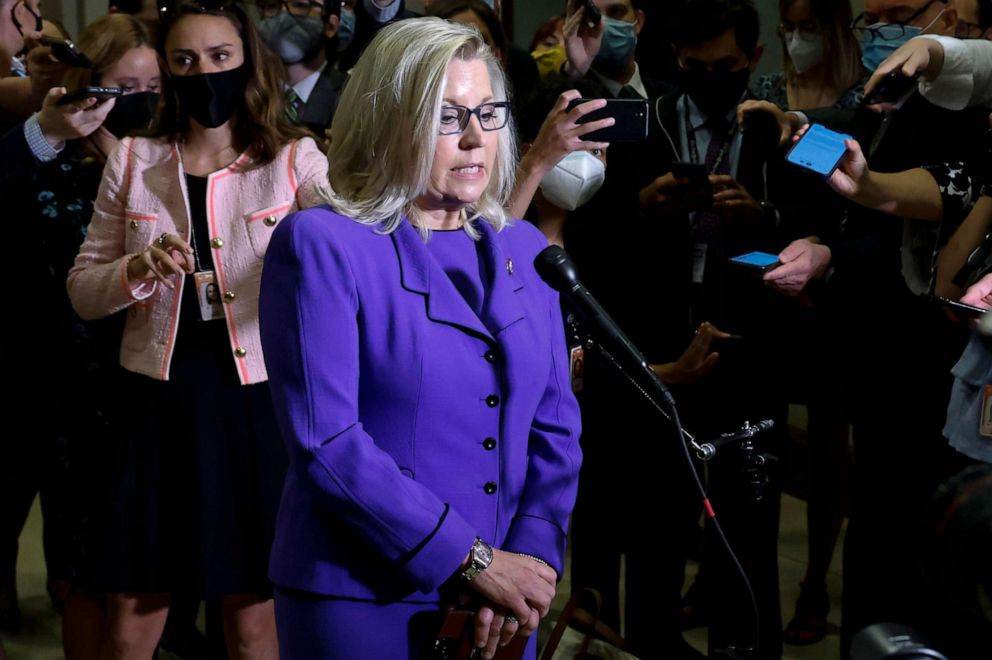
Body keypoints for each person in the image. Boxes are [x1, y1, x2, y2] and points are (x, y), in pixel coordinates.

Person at [257, 17, 582, 660]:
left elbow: (556, 427)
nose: (473, 138)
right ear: (388, 123)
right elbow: (327, 442)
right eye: (444, 116)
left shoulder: (524, 248)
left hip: (506, 602)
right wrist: (471, 561)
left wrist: (531, 565)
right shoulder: (322, 245)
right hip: (360, 597)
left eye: (487, 113)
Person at [66, 1, 327, 658]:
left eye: (218, 58)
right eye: (183, 61)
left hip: (255, 406)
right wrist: (136, 268)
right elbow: (82, 290)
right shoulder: (134, 160)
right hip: (156, 406)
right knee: (132, 621)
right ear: (166, 69)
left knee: (252, 620)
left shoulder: (293, 160)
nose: (202, 73)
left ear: (247, 63)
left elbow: (351, 250)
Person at [751, 0, 864, 110]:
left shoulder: (863, 97)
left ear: (836, 29)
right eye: (788, 27)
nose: (796, 40)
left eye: (808, 28)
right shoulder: (769, 90)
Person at [256, 0, 344, 134]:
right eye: (273, 5)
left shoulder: (351, 96)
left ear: (330, 26)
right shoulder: (245, 92)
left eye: (300, 6)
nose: (283, 17)